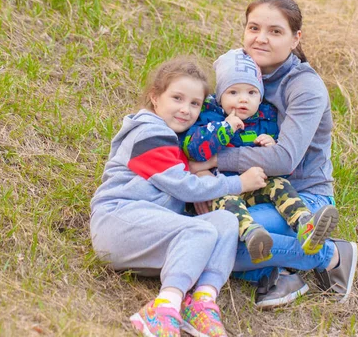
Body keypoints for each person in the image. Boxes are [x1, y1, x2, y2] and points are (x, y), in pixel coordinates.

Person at [190, 0, 358, 309]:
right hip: (241, 189)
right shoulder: (239, 73)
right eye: (254, 28)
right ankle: (280, 269)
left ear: (296, 39)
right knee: (197, 232)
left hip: (300, 195)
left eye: (275, 31)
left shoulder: (305, 87)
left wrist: (212, 160)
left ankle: (332, 255)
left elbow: (283, 159)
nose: (261, 38)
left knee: (217, 240)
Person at [89, 58, 267, 337]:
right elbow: (183, 187)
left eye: (195, 103)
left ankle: (201, 302)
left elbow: (186, 180)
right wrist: (237, 183)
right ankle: (163, 306)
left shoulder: (175, 140)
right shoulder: (148, 132)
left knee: (225, 222)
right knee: (200, 229)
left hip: (151, 230)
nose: (186, 109)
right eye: (177, 98)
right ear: (155, 97)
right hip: (119, 222)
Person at [180, 49, 339, 265]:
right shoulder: (211, 117)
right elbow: (195, 149)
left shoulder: (265, 117)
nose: (243, 100)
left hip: (258, 187)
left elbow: (281, 163)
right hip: (227, 188)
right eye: (233, 92)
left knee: (280, 184)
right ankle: (252, 233)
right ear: (220, 95)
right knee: (224, 215)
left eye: (251, 93)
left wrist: (271, 144)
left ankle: (304, 223)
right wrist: (225, 128)